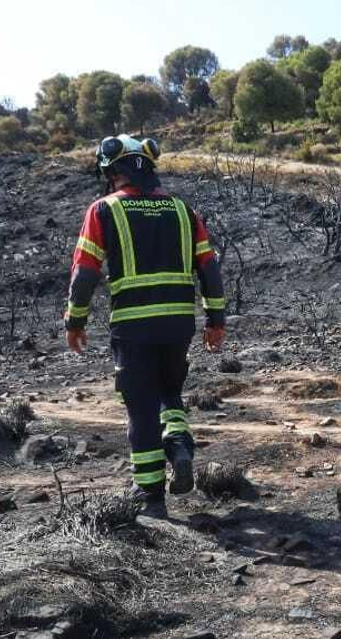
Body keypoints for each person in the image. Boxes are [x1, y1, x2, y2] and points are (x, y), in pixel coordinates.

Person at [63, 134, 228, 518]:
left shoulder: (103, 210)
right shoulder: (182, 210)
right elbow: (209, 267)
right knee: (169, 390)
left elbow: (85, 272)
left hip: (133, 326)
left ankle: (150, 497)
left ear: (112, 172)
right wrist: (216, 320)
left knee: (139, 406)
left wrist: (75, 320)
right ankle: (179, 443)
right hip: (178, 324)